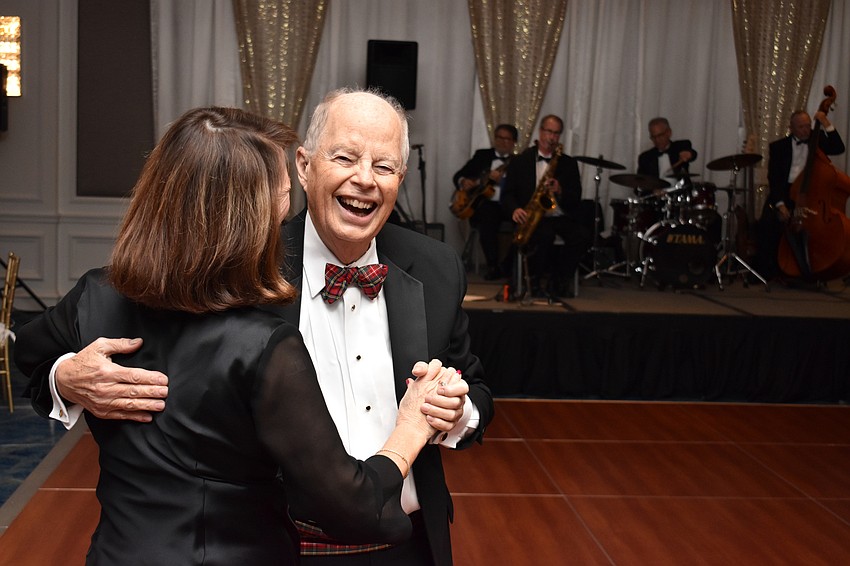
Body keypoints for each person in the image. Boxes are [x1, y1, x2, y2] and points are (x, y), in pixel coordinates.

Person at [23, 90, 494, 566]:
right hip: (283, 544)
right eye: (346, 157)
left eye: (385, 166)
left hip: (406, 542)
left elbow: (475, 387)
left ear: (401, 177)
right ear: (304, 167)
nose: (364, 180)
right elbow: (39, 355)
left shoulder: (437, 269)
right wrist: (65, 377)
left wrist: (456, 412)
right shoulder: (240, 273)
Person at [501, 114, 591, 298]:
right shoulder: (520, 161)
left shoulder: (568, 163)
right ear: (541, 131)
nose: (552, 137)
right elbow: (508, 193)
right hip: (533, 215)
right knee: (544, 235)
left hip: (559, 215)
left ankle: (559, 282)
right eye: (549, 132)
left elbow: (576, 197)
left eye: (556, 133)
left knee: (581, 236)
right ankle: (533, 283)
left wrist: (560, 190)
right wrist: (515, 209)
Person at [754, 109, 846, 281]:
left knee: (815, 229)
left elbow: (838, 148)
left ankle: (813, 269)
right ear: (791, 128)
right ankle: (768, 271)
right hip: (786, 191)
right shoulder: (778, 147)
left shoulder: (817, 140)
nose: (805, 130)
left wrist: (825, 122)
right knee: (767, 223)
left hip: (812, 194)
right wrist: (780, 204)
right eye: (801, 127)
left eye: (807, 126)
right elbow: (774, 178)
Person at [451, 124, 518, 280]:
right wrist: (464, 182)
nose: (502, 142)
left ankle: (507, 266)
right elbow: (459, 175)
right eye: (499, 137)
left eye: (507, 139)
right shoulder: (482, 156)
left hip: (509, 205)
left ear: (514, 142)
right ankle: (493, 266)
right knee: (487, 218)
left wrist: (506, 180)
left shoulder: (518, 161)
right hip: (487, 205)